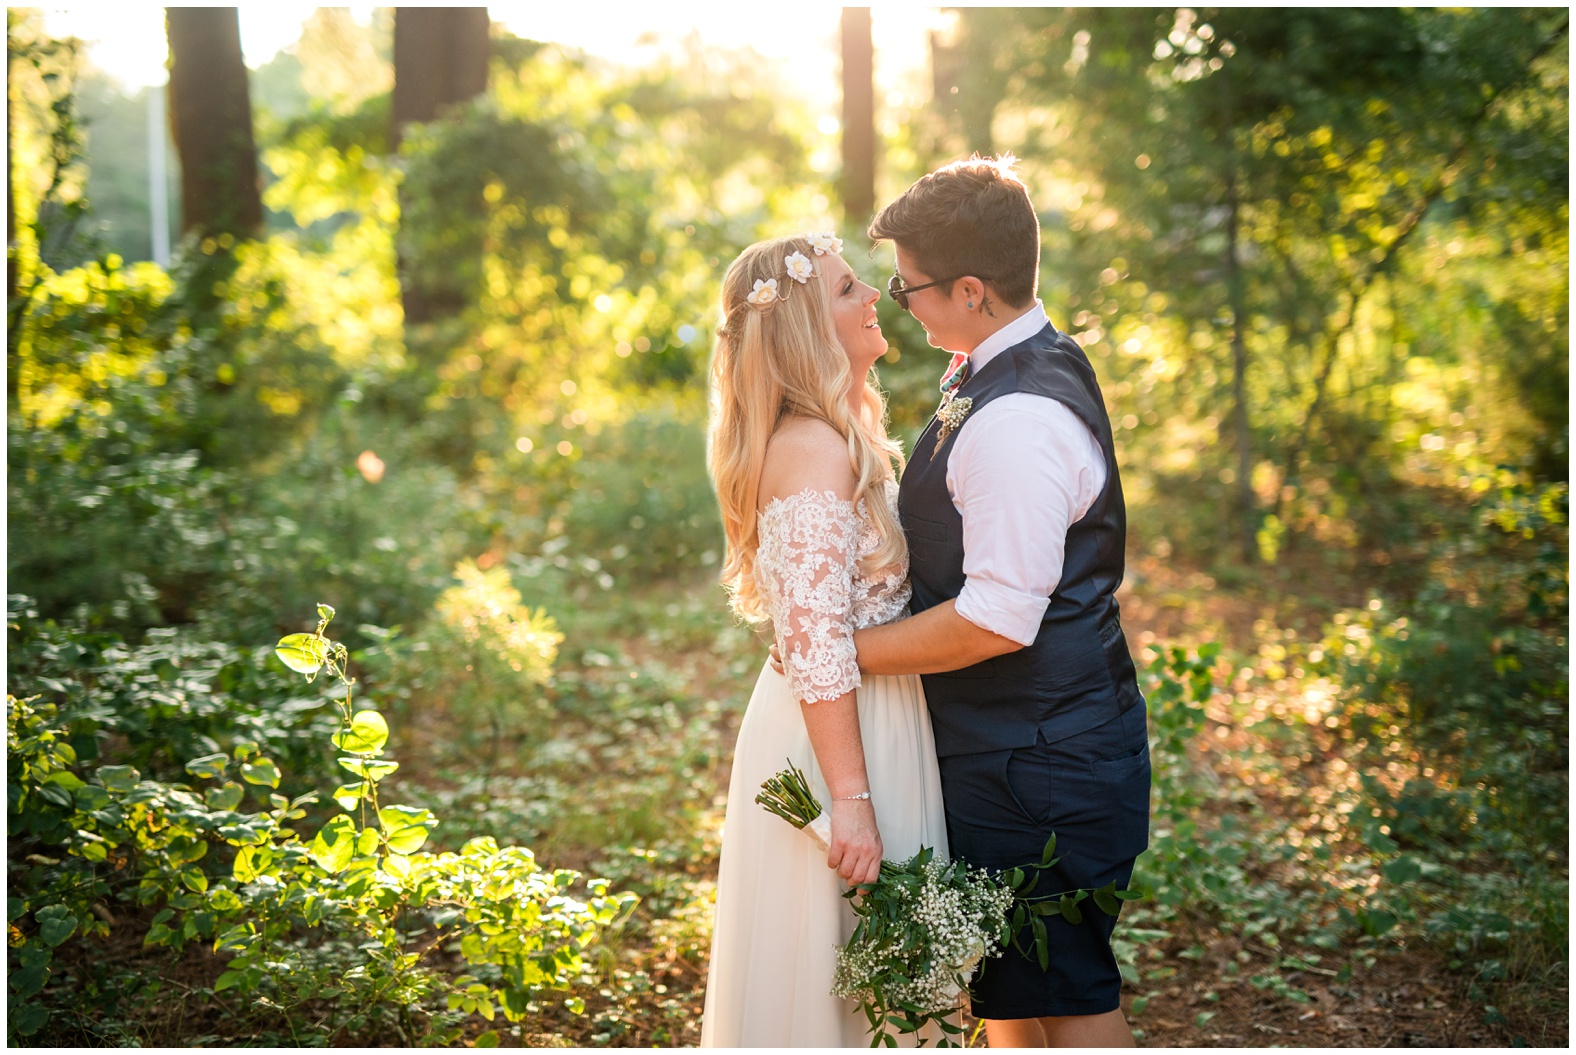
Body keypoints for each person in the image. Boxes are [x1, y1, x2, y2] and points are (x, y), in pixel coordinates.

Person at [854, 154, 1150, 1047]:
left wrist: (849, 650)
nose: (901, 306)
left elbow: (995, 618)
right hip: (1014, 746)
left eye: (910, 291)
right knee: (1012, 991)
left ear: (972, 289)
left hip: (1044, 760)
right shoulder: (1010, 363)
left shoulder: (1016, 421)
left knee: (1069, 992)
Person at [698, 233, 949, 1047]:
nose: (875, 294)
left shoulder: (841, 433)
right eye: (848, 290)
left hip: (873, 715)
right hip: (838, 741)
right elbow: (812, 642)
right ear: (807, 329)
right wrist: (851, 799)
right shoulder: (810, 450)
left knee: (876, 977)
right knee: (834, 983)